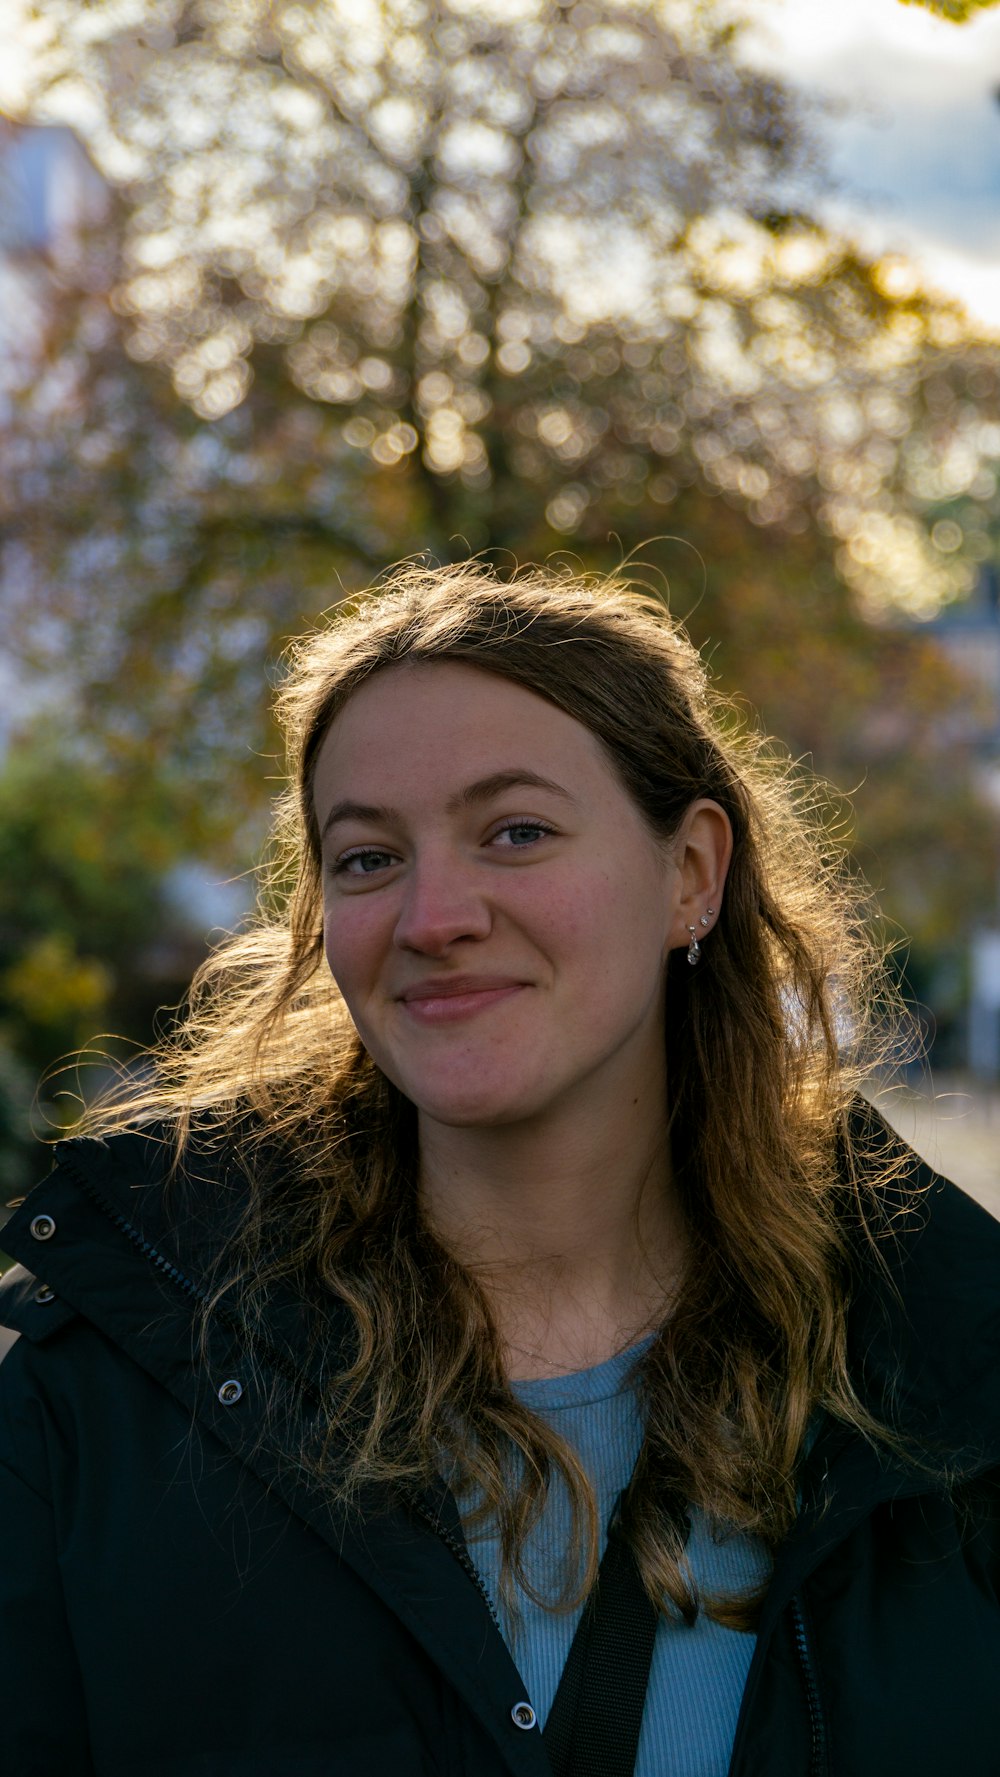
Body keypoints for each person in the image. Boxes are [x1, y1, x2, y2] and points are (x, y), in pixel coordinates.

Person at [1, 562, 998, 1777]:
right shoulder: (113, 1388)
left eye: (515, 832)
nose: (433, 914)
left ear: (689, 871)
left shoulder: (938, 1372)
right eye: (366, 857)